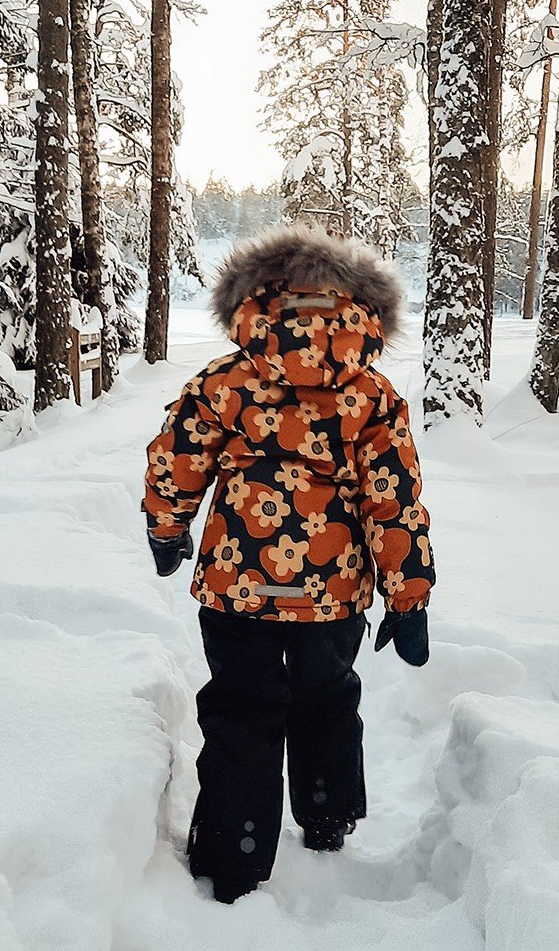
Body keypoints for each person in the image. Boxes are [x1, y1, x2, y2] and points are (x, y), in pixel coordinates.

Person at [142, 225, 435, 904]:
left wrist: (167, 526)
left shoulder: (225, 380)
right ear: (360, 307)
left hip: (236, 588)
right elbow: (392, 503)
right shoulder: (372, 396)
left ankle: (233, 854)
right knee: (326, 699)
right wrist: (408, 596)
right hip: (333, 597)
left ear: (254, 298)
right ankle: (327, 815)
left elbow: (177, 458)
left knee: (241, 709)